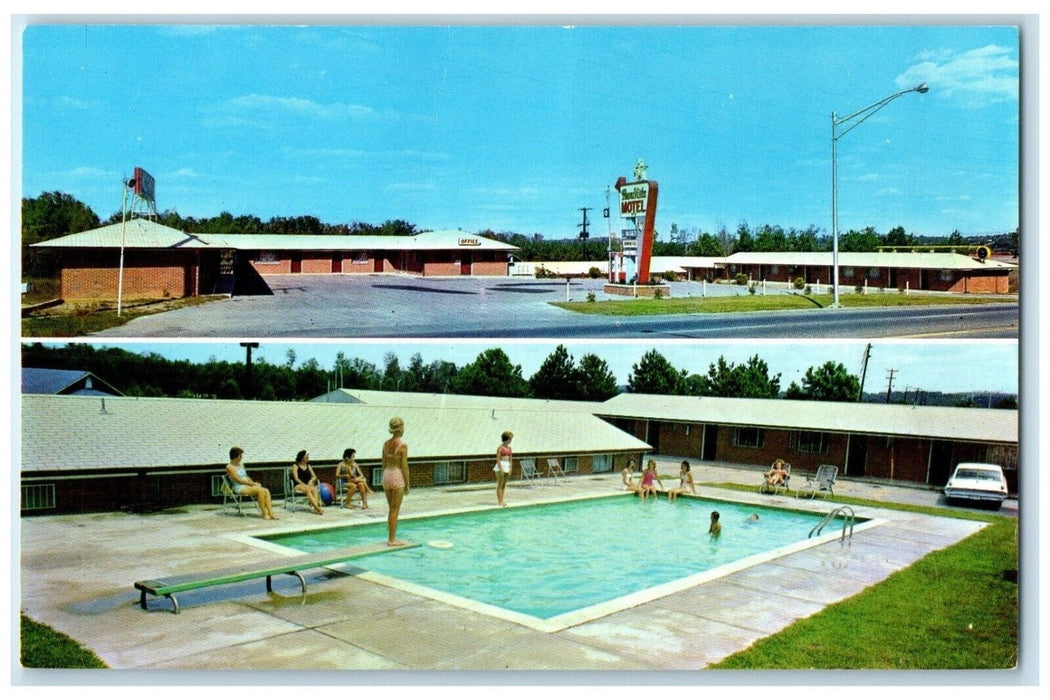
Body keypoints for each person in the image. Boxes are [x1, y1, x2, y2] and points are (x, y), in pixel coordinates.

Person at [225, 447, 278, 520]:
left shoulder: (241, 464)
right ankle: (264, 513)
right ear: (235, 456)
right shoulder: (229, 467)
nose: (241, 458)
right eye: (240, 456)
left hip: (247, 485)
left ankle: (271, 512)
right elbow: (238, 480)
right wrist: (252, 484)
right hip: (239, 487)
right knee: (261, 491)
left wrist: (254, 483)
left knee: (266, 490)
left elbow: (246, 476)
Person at [382, 416, 410, 546]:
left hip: (386, 475)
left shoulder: (386, 444)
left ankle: (391, 534)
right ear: (400, 429)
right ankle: (392, 539)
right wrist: (408, 484)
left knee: (391, 509)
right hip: (397, 475)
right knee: (395, 509)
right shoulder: (402, 446)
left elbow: (383, 463)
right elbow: (404, 467)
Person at [291, 449, 324, 515]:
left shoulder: (308, 466)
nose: (308, 459)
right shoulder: (295, 466)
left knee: (314, 489)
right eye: (306, 457)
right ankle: (317, 508)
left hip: (307, 485)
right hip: (298, 485)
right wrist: (304, 485)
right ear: (302, 458)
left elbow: (314, 476)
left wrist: (311, 480)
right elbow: (296, 478)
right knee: (308, 489)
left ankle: (315, 508)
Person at [494, 431, 514, 507]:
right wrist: (500, 468)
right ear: (507, 439)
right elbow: (498, 459)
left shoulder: (509, 448)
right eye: (510, 439)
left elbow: (511, 459)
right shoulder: (500, 448)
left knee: (504, 485)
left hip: (507, 466)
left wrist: (510, 468)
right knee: (500, 484)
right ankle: (500, 501)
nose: (511, 441)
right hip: (501, 466)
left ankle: (502, 500)